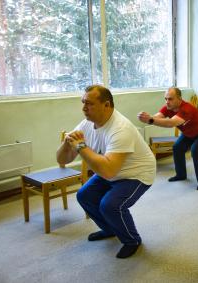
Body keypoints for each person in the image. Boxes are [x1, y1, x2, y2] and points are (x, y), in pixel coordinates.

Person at [56, 85, 156, 259]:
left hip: (137, 174)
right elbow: (62, 160)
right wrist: (66, 143)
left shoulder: (120, 128)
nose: (84, 108)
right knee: (84, 196)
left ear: (107, 105)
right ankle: (110, 229)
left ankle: (132, 240)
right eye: (83, 103)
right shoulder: (87, 123)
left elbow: (108, 172)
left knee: (110, 205)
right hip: (111, 170)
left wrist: (79, 146)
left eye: (89, 103)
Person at [137, 87, 198, 190]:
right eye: (165, 99)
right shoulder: (168, 108)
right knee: (177, 147)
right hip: (190, 133)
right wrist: (147, 118)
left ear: (179, 98)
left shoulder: (186, 109)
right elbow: (157, 117)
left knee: (196, 150)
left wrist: (151, 120)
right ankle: (181, 175)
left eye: (170, 99)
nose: (167, 102)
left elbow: (171, 123)